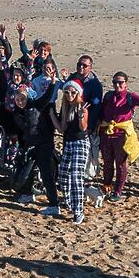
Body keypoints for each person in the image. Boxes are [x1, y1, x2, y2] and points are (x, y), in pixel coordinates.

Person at [98, 71, 139, 202]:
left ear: (126, 84)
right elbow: (101, 112)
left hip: (122, 136)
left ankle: (118, 191)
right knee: (107, 164)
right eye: (115, 82)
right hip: (107, 133)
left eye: (120, 82)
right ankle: (107, 187)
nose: (117, 85)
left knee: (121, 164)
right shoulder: (108, 96)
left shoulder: (130, 97)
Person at [11, 87, 60, 214]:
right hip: (29, 145)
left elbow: (47, 97)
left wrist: (53, 84)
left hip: (44, 144)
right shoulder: (16, 112)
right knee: (28, 171)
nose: (20, 102)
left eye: (23, 99)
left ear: (28, 98)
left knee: (46, 174)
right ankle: (28, 194)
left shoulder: (36, 106)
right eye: (17, 99)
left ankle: (54, 204)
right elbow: (21, 130)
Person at [50, 80, 90, 224]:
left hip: (81, 143)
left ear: (78, 93)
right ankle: (70, 203)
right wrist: (52, 115)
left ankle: (78, 211)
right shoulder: (66, 106)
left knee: (75, 177)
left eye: (73, 92)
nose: (69, 95)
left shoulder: (82, 106)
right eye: (67, 92)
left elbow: (83, 128)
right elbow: (61, 129)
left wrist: (80, 115)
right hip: (69, 143)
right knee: (62, 177)